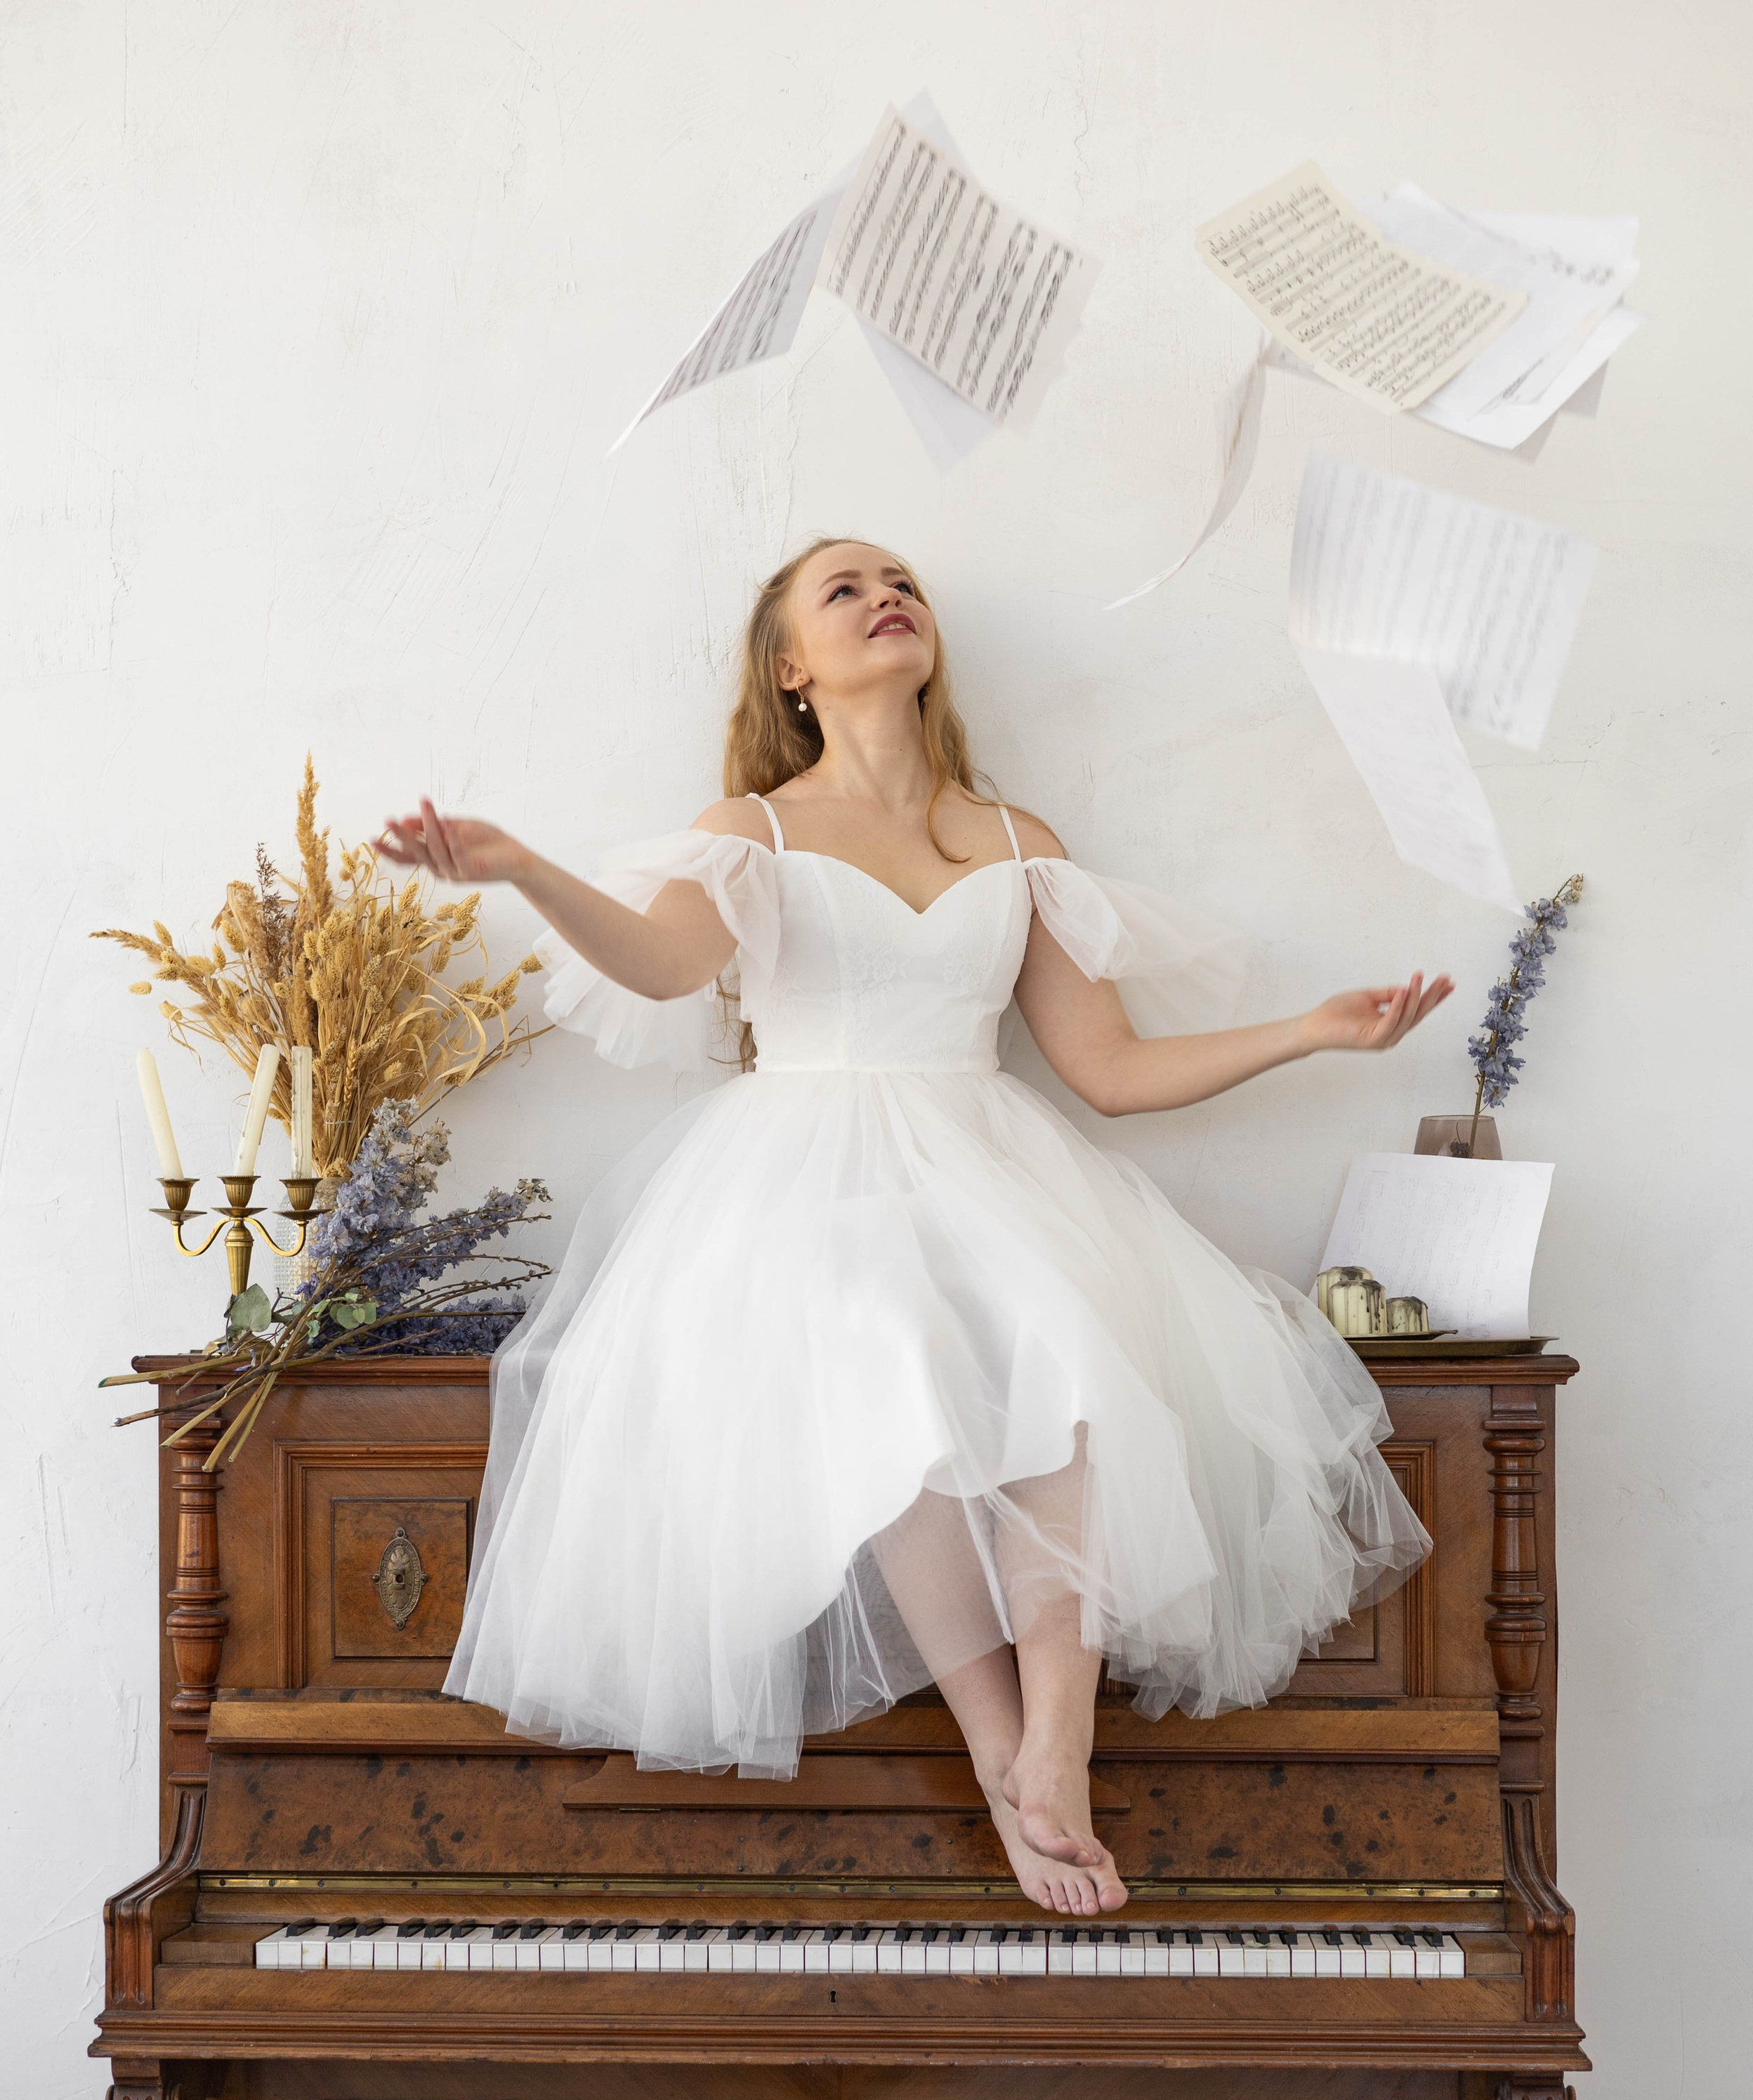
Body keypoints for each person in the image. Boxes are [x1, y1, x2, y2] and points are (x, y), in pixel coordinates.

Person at [376, 537, 1448, 1917]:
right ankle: (996, 1742)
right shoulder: (752, 831)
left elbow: (1109, 1073)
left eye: (901, 581)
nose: (885, 594)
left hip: (985, 1152)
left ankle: (1055, 1739)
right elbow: (659, 963)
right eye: (842, 590)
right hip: (798, 1178)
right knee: (879, 1341)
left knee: (1065, 1330)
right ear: (791, 669)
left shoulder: (1017, 845)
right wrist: (521, 864)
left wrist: (1307, 1033)